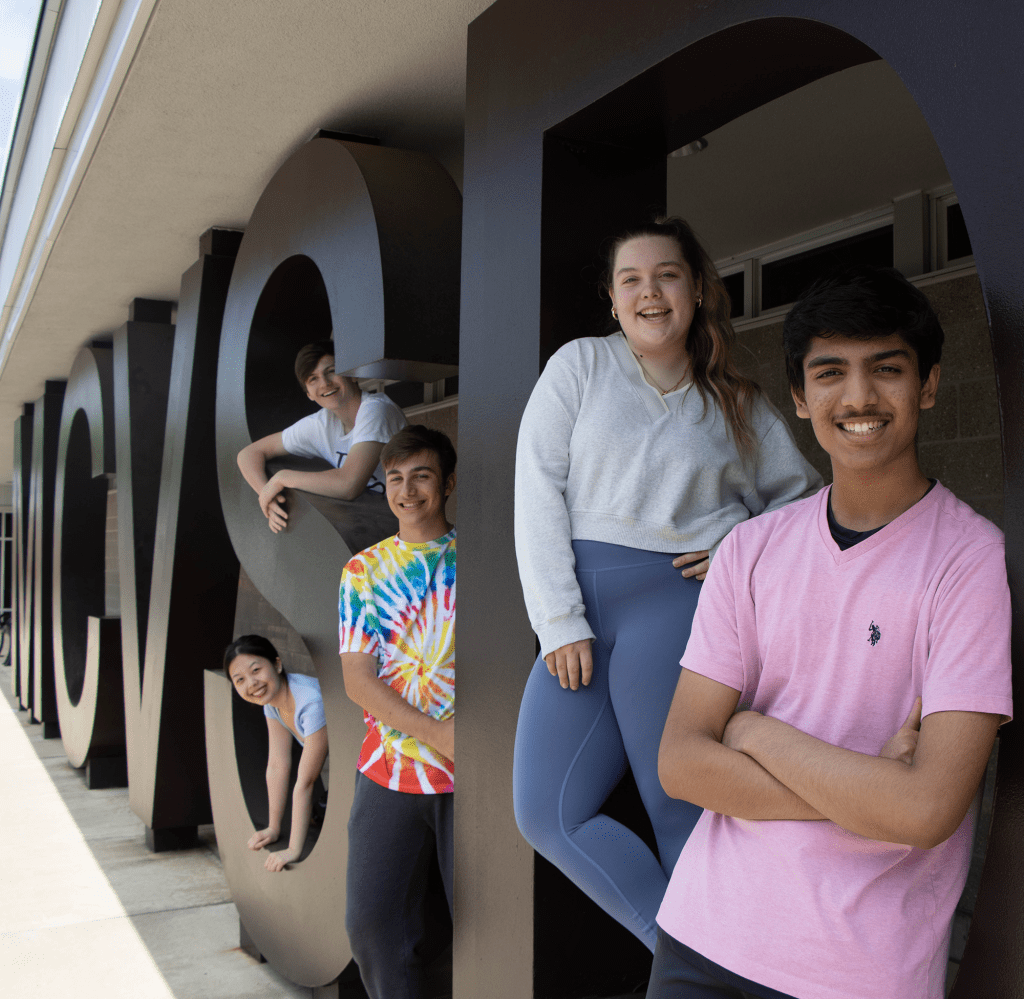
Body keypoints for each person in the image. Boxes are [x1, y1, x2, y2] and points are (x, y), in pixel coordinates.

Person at [651, 266, 1012, 999]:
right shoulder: (750, 550)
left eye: (887, 369)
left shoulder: (971, 561)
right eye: (830, 372)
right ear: (799, 395)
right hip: (702, 938)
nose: (858, 397)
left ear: (930, 385)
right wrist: (867, 787)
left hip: (858, 971)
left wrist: (755, 732)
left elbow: (926, 809)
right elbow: (681, 762)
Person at [512, 217, 822, 951]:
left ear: (696, 289)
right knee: (548, 813)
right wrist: (557, 618)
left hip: (677, 612)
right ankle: (687, 957)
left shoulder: (737, 402)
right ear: (613, 300)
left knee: (680, 806)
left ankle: (707, 969)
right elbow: (536, 488)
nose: (649, 292)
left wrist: (739, 543)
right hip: (580, 619)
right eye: (631, 280)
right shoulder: (579, 367)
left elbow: (806, 501)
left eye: (667, 275)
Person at [338, 424, 457, 999]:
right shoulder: (362, 571)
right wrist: (439, 733)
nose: (407, 491)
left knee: (485, 929)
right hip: (392, 766)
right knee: (371, 923)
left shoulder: (483, 559)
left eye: (422, 476)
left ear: (448, 483)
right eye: (395, 478)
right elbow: (358, 681)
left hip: (473, 773)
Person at [236, 339, 407, 533]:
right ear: (308, 393)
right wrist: (266, 495)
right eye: (313, 379)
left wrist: (282, 478)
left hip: (411, 525)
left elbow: (349, 485)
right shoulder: (321, 424)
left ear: (352, 374)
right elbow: (249, 453)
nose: (325, 383)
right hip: (375, 529)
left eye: (331, 371)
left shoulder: (377, 410)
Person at [224, 634, 329, 872]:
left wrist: (293, 850)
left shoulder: (310, 701)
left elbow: (306, 781)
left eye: (256, 670)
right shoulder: (273, 702)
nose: (251, 683)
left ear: (277, 664)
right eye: (239, 679)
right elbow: (278, 764)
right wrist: (273, 828)